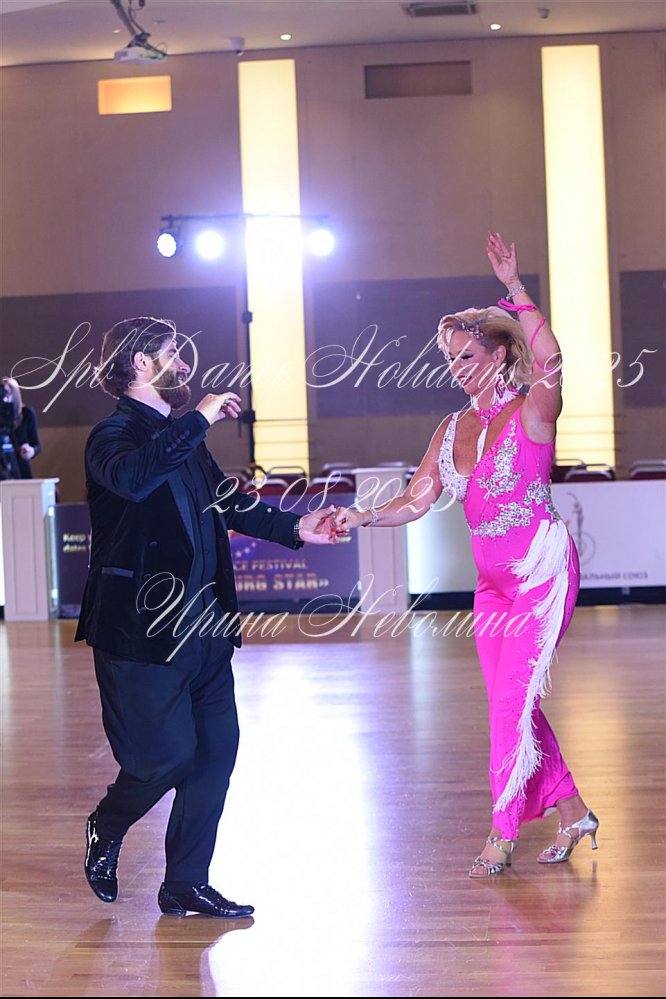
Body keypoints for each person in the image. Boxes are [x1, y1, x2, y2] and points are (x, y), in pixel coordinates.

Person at [332, 232, 598, 877]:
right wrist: (362, 515)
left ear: (500, 353)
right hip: (491, 588)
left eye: (469, 354)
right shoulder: (452, 427)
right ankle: (573, 810)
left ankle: (502, 834)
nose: (457, 366)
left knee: (510, 707)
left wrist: (516, 290)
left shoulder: (533, 411)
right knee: (514, 703)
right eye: (450, 357)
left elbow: (552, 359)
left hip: (540, 575)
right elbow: (416, 500)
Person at [75, 316, 343, 916]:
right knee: (164, 759)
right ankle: (107, 824)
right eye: (173, 353)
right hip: (141, 634)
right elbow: (137, 479)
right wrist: (197, 418)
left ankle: (185, 884)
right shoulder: (111, 437)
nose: (184, 363)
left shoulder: (182, 438)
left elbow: (228, 502)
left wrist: (296, 527)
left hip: (205, 627)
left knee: (214, 756)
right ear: (141, 364)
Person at [0, 376, 41, 479]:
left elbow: (37, 445)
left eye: (7, 393)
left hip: (20, 468)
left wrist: (30, 451)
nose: (4, 398)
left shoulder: (27, 413)